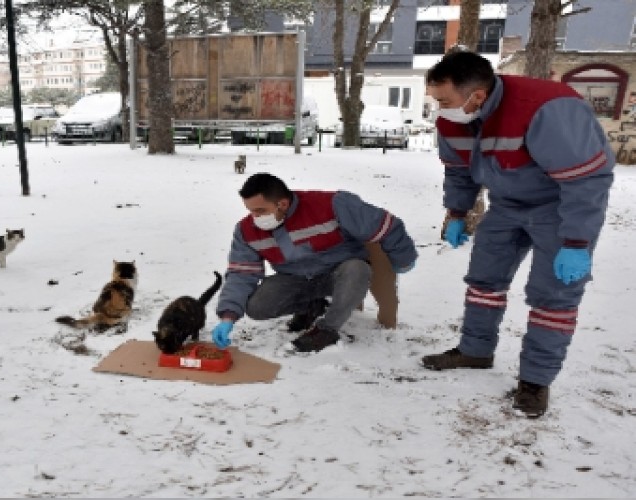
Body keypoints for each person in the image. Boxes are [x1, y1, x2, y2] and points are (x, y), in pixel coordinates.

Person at [420, 51, 615, 418]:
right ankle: (475, 350)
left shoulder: (548, 108)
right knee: (484, 279)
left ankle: (535, 381)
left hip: (559, 206)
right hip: (507, 203)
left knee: (553, 296)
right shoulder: (454, 119)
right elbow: (459, 170)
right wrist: (456, 212)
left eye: (443, 100)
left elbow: (586, 179)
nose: (438, 108)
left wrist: (576, 241)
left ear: (476, 95)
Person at [211, 173, 418, 353]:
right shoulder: (246, 231)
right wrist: (228, 317)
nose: (255, 217)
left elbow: (386, 225)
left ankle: (327, 330)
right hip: (295, 279)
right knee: (256, 306)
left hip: (338, 273)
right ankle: (312, 307)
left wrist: (404, 260)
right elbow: (241, 273)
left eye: (260, 211)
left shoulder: (331, 204)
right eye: (251, 211)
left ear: (282, 203)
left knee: (357, 269)